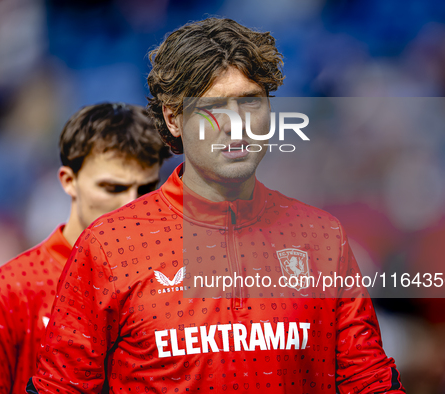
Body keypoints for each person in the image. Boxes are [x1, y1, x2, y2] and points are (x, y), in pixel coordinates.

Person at [28, 18, 405, 393]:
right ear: (174, 119)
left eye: (250, 102)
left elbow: (369, 382)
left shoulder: (322, 238)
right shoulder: (109, 246)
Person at [0, 103, 171, 394]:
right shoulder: (1, 297)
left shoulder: (174, 283)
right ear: (69, 182)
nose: (130, 205)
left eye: (145, 190)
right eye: (112, 188)